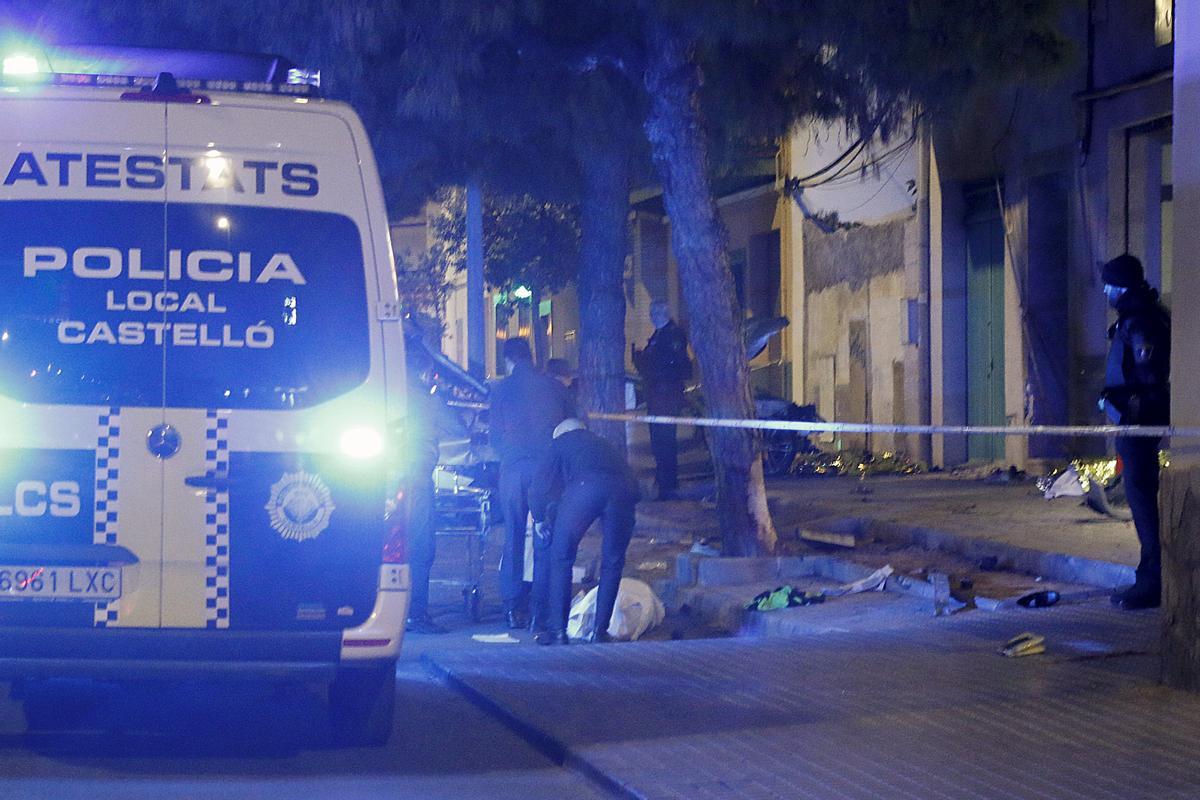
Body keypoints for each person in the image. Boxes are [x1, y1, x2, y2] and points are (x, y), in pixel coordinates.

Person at [1098, 254, 1171, 611]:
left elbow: (1148, 376)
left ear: (1122, 285)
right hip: (1132, 419)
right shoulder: (1133, 317)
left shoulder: (1141, 320)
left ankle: (1153, 581)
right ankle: (1151, 575)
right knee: (1140, 499)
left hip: (1138, 422)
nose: (1106, 291)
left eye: (1110, 284)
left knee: (1143, 502)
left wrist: (1124, 407)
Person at [529, 418, 641, 645]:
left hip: (585, 489)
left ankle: (558, 631)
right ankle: (600, 631)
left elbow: (539, 485)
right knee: (612, 561)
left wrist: (540, 517)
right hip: (625, 490)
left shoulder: (560, 442)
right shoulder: (603, 443)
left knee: (561, 557)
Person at [488, 337, 572, 629]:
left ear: (507, 360)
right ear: (532, 356)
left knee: (513, 536)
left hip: (512, 472)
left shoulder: (500, 391)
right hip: (545, 472)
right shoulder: (554, 387)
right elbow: (574, 424)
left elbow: (493, 437)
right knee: (543, 536)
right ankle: (540, 609)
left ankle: (513, 608)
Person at [401, 359, 461, 634]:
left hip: (377, 479)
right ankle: (416, 613)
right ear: (423, 372)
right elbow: (458, 429)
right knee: (421, 545)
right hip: (416, 477)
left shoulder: (385, 396)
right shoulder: (428, 400)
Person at [632, 300, 693, 500]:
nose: (651, 316)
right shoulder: (660, 335)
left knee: (665, 440)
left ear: (663, 313)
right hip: (657, 396)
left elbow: (668, 366)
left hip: (666, 397)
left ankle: (668, 483)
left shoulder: (672, 335)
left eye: (654, 312)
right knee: (659, 441)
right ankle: (664, 480)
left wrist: (644, 361)